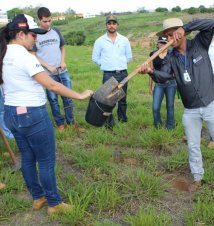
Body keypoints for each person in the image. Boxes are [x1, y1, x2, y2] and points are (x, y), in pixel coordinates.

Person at [0, 14, 93, 214]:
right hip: (32, 114)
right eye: (34, 35)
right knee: (46, 160)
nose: (36, 38)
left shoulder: (4, 53)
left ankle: (38, 198)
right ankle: (54, 203)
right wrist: (79, 95)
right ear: (21, 33)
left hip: (12, 113)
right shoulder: (24, 56)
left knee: (27, 157)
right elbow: (51, 84)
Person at [138, 18, 214, 192]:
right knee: (193, 145)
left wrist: (186, 27)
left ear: (180, 32)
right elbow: (164, 77)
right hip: (190, 110)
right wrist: (151, 72)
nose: (169, 37)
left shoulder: (199, 44)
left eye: (171, 32)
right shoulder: (171, 58)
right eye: (166, 34)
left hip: (211, 103)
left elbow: (210, 23)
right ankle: (197, 177)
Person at [33, 7, 83, 132]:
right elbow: (33, 55)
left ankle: (72, 122)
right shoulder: (34, 35)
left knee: (68, 97)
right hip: (48, 74)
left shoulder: (56, 30)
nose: (48, 24)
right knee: (53, 100)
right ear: (39, 20)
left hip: (62, 71)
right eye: (45, 21)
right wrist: (47, 66)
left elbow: (62, 47)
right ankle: (60, 124)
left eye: (49, 20)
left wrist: (62, 61)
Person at [92, 14, 132, 128]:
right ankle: (109, 123)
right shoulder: (100, 41)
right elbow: (95, 58)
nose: (111, 25)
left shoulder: (124, 40)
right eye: (109, 23)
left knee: (123, 99)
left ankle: (123, 119)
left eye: (114, 23)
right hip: (108, 74)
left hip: (123, 73)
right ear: (106, 25)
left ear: (117, 25)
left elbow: (129, 57)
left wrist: (119, 64)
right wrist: (105, 64)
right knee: (108, 100)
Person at [149, 36, 176, 129]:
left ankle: (170, 126)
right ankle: (158, 125)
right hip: (159, 84)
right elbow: (151, 71)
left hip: (171, 84)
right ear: (157, 43)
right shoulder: (153, 54)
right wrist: (150, 87)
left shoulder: (172, 54)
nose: (162, 45)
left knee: (170, 106)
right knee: (155, 107)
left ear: (167, 44)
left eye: (164, 43)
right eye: (161, 43)